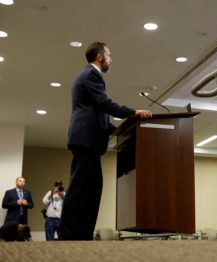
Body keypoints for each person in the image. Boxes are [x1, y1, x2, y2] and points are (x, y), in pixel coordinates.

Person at [59, 41, 152, 240]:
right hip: (86, 140)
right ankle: (68, 234)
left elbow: (99, 113)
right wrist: (133, 113)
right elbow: (104, 103)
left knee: (90, 189)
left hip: (88, 140)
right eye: (109, 55)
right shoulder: (92, 74)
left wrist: (118, 129)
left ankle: (81, 234)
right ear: (100, 56)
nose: (111, 60)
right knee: (79, 188)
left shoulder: (87, 75)